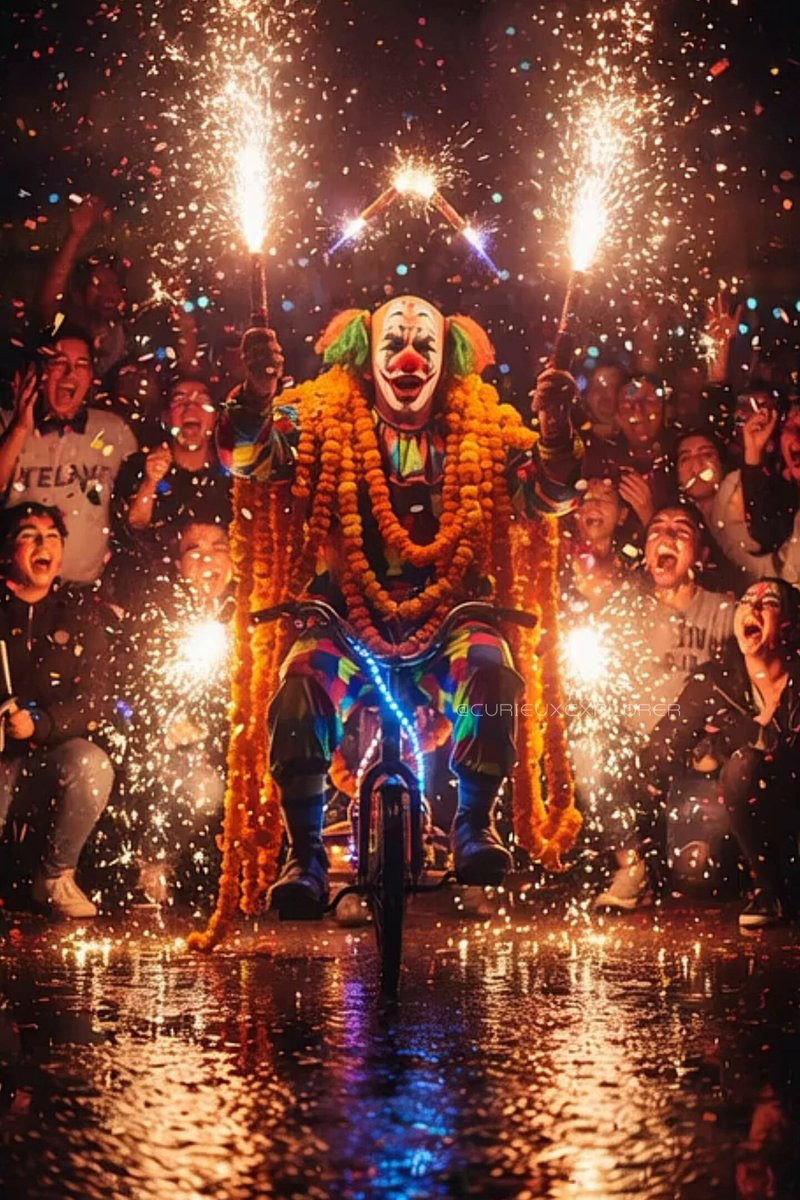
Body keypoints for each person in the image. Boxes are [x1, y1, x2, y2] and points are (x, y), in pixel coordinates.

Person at [200, 295, 584, 930]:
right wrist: (257, 394)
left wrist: (557, 429)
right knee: (297, 690)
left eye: (424, 345)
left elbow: (550, 496)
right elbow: (245, 458)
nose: (410, 356)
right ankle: (305, 855)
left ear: (448, 356)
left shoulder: (483, 426)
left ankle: (474, 822)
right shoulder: (321, 416)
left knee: (493, 678)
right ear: (364, 351)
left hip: (450, 621)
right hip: (345, 624)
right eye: (394, 343)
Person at [638, 578, 800, 928]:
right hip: (746, 823)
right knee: (697, 874)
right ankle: (768, 891)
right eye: (746, 600)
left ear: (790, 623)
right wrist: (657, 772)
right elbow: (665, 741)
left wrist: (755, 735)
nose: (752, 608)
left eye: (768, 602)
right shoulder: (714, 682)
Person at [0, 503, 114, 918]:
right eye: (28, 535)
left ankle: (54, 878)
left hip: (47, 760)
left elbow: (95, 700)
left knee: (92, 764)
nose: (42, 544)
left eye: (51, 536)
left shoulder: (78, 612)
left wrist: (40, 724)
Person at [119, 520, 232, 904]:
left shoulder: (251, 614)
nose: (207, 558)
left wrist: (214, 729)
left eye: (219, 547)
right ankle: (154, 861)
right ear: (178, 564)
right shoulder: (158, 616)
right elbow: (135, 690)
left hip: (232, 742)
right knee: (202, 785)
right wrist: (166, 723)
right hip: (172, 749)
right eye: (194, 549)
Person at [0, 331, 137, 586]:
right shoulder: (7, 424)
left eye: (81, 364)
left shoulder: (114, 430)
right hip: (18, 584)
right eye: (59, 362)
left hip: (84, 586)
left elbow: (135, 510)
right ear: (42, 373)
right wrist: (20, 428)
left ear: (91, 377)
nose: (70, 372)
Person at [111, 372, 232, 600]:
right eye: (180, 400)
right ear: (167, 417)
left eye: (202, 401)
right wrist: (151, 481)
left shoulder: (231, 476)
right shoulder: (139, 466)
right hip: (159, 599)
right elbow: (134, 527)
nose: (190, 408)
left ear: (215, 416)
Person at [39, 194, 129, 379]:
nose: (108, 292)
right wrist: (75, 235)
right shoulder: (62, 328)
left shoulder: (124, 333)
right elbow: (51, 296)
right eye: (98, 285)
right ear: (78, 295)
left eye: (113, 284)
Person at [741, 398, 800, 585]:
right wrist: (753, 453)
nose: (797, 440)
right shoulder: (783, 501)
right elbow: (761, 538)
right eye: (789, 427)